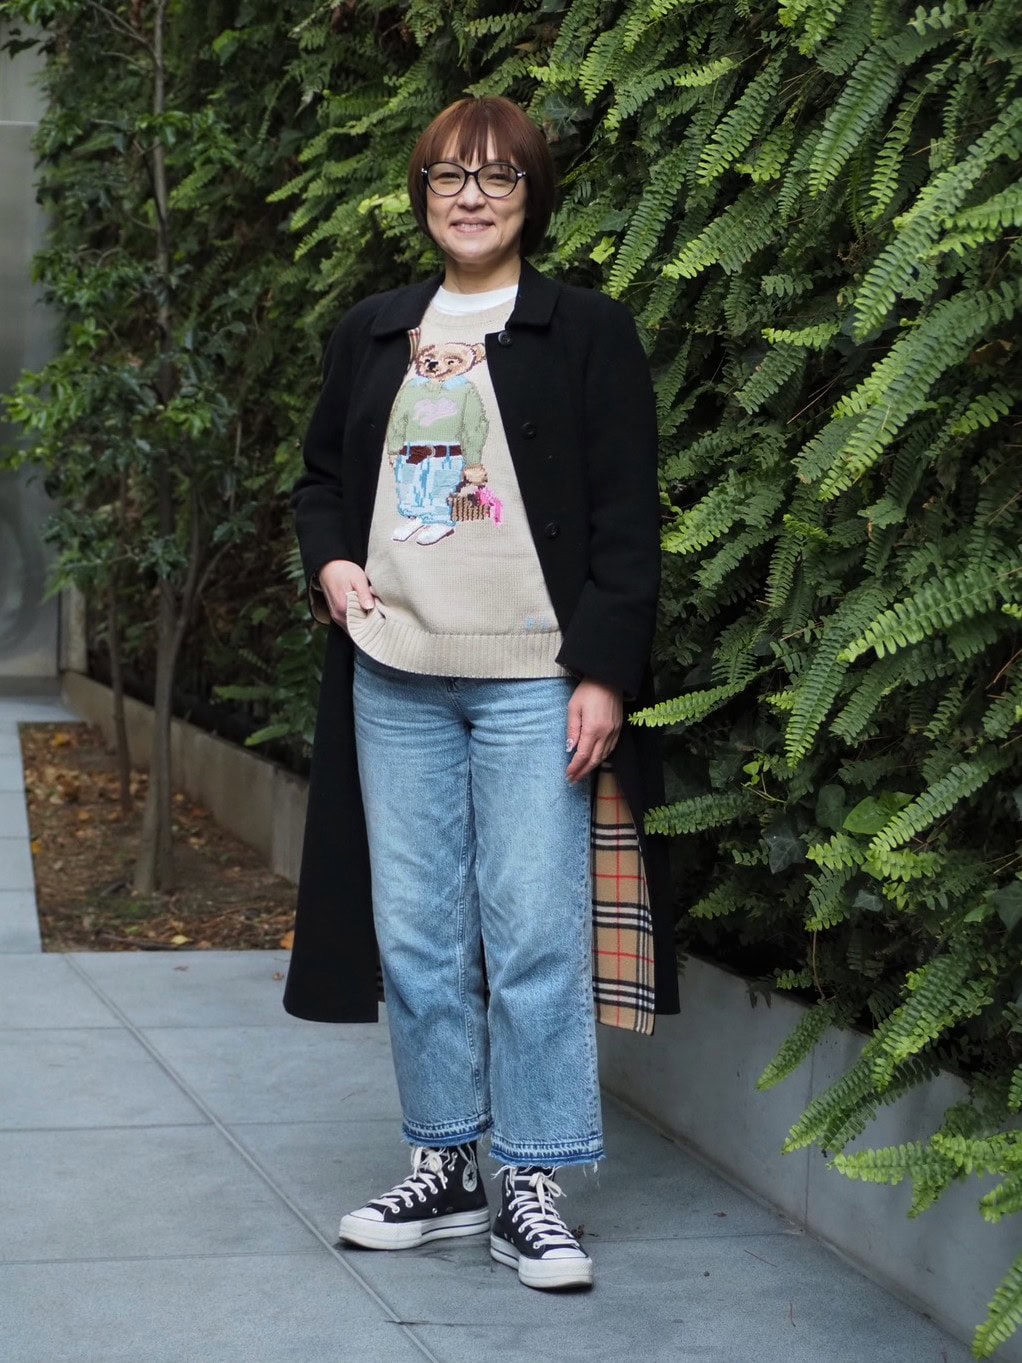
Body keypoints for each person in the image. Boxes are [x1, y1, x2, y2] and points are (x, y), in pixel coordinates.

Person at [283, 94, 680, 1292]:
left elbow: (625, 514)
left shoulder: (586, 331)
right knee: (415, 937)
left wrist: (603, 670)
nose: (469, 196)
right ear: (420, 196)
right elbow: (319, 479)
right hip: (394, 672)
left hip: (532, 682)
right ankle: (445, 1164)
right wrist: (329, 563)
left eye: (496, 177)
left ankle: (533, 1185)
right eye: (448, 176)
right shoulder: (370, 330)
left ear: (528, 197)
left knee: (533, 936)